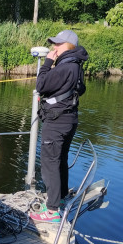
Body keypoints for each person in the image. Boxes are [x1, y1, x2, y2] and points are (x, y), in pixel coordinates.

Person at [30, 30, 88, 223]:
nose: (54, 47)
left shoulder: (65, 67)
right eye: (54, 44)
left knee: (49, 163)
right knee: (60, 159)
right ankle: (61, 199)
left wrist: (47, 62)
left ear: (69, 46)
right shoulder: (76, 65)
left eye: (58, 44)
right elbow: (81, 89)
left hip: (56, 122)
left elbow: (41, 84)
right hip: (68, 120)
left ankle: (52, 210)